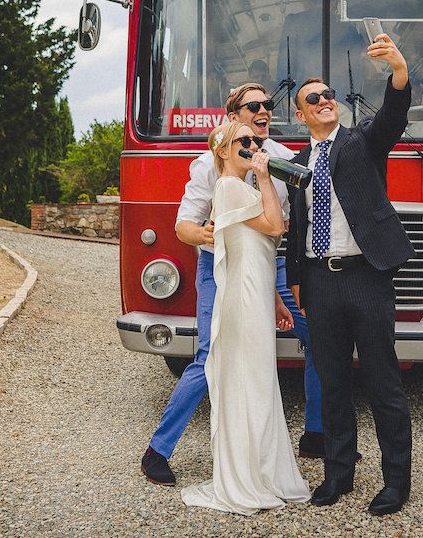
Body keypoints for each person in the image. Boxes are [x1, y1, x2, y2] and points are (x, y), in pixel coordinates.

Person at [141, 82, 324, 487]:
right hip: (221, 265)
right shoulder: (211, 163)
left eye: (268, 105)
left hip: (270, 265)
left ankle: (315, 434)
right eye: (253, 106)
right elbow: (183, 224)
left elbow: (287, 220)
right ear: (233, 115)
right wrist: (209, 234)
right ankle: (158, 449)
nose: (264, 111)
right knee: (209, 355)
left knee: (318, 338)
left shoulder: (279, 157)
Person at [285, 33, 413, 516]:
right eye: (313, 98)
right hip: (321, 283)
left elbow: (394, 116)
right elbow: (297, 229)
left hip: (366, 278)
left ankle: (396, 483)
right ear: (301, 114)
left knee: (383, 384)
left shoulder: (362, 141)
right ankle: (338, 476)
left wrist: (399, 71)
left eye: (329, 95)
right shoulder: (295, 164)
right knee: (333, 383)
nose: (324, 101)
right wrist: (298, 280)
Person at [179, 121, 311, 514]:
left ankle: (259, 469)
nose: (254, 145)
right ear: (221, 150)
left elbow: (259, 246)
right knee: (250, 380)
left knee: (256, 380)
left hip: (255, 292)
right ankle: (247, 476)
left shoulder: (243, 187)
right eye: (244, 141)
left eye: (256, 141)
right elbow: (274, 226)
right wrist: (266, 177)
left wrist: (276, 300)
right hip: (243, 297)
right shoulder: (230, 186)